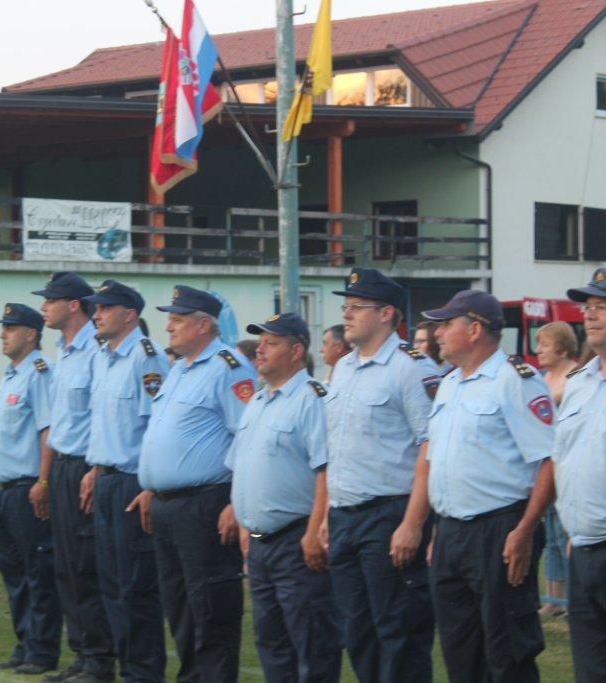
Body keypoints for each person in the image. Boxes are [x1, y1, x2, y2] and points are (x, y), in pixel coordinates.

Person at [410, 290, 554, 682]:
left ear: (474, 329)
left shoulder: (515, 380)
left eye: (446, 324)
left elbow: (548, 461)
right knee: (461, 654)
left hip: (500, 529)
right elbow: (442, 461)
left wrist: (525, 530)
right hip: (453, 533)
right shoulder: (450, 383)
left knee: (507, 653)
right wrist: (441, 528)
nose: (437, 332)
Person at [137, 285, 256, 683]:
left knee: (210, 605)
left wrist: (236, 501)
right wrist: (153, 486)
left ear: (204, 325)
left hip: (205, 503)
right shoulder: (181, 370)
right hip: (169, 505)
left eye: (177, 319)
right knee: (179, 604)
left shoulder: (229, 367)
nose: (167, 326)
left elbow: (247, 435)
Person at [324, 267, 438, 683]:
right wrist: (325, 518)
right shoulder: (343, 368)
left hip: (388, 513)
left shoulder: (411, 367)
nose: (347, 314)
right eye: (346, 306)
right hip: (345, 515)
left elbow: (431, 445)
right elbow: (337, 447)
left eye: (357, 307)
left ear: (387, 313)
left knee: (399, 630)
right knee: (357, 630)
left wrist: (412, 523)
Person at [227, 313, 342, 682]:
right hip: (261, 545)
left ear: (296, 351)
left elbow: (325, 469)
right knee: (271, 641)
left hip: (296, 539)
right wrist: (244, 522)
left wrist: (314, 531)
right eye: (259, 343)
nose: (260, 351)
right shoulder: (259, 400)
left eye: (270, 343)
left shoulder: (312, 400)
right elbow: (244, 466)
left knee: (311, 640)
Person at [82, 280, 170, 682]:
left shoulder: (145, 358)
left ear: (129, 314)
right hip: (105, 480)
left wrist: (150, 485)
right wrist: (95, 470)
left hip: (133, 482)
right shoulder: (103, 357)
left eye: (104, 308)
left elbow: (156, 426)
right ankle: (124, 665)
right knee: (111, 581)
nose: (95, 314)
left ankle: (143, 672)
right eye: (94, 308)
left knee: (136, 585)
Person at [33, 272, 114, 683]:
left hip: (84, 465)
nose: (45, 307)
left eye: (52, 300)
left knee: (85, 564)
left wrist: (96, 468)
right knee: (64, 564)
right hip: (62, 465)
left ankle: (100, 658)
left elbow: (102, 414)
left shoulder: (96, 351)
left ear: (74, 305)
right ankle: (82, 653)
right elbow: (55, 422)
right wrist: (45, 478)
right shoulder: (61, 352)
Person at [0, 303, 63, 675]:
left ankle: (41, 650)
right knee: (13, 572)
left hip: (26, 487)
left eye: (10, 328)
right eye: (4, 327)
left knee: (37, 572)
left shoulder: (38, 374)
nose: (3, 333)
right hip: (1, 489)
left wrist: (43, 481)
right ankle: (23, 643)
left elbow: (48, 431)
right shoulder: (11, 376)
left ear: (31, 333)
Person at [553, 269, 606, 681]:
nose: (590, 315)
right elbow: (568, 456)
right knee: (590, 670)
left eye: (602, 306)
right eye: (587, 307)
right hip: (583, 549)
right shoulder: (579, 383)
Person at [534, 321, 579, 618]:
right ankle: (553, 598)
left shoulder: (578, 377)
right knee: (550, 536)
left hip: (568, 470)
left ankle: (576, 598)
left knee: (567, 536)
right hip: (543, 468)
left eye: (544, 345)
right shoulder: (538, 379)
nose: (538, 351)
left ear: (562, 349)